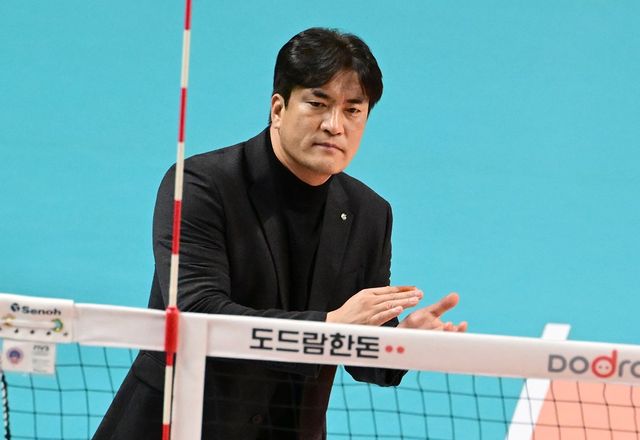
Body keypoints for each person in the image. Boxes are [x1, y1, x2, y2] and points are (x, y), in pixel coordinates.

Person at [94, 27, 466, 440]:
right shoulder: (200, 185)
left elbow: (359, 350)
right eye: (318, 103)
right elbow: (198, 312)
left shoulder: (370, 213)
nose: (334, 125)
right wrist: (327, 327)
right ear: (278, 108)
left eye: (352, 110)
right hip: (179, 425)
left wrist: (403, 345)